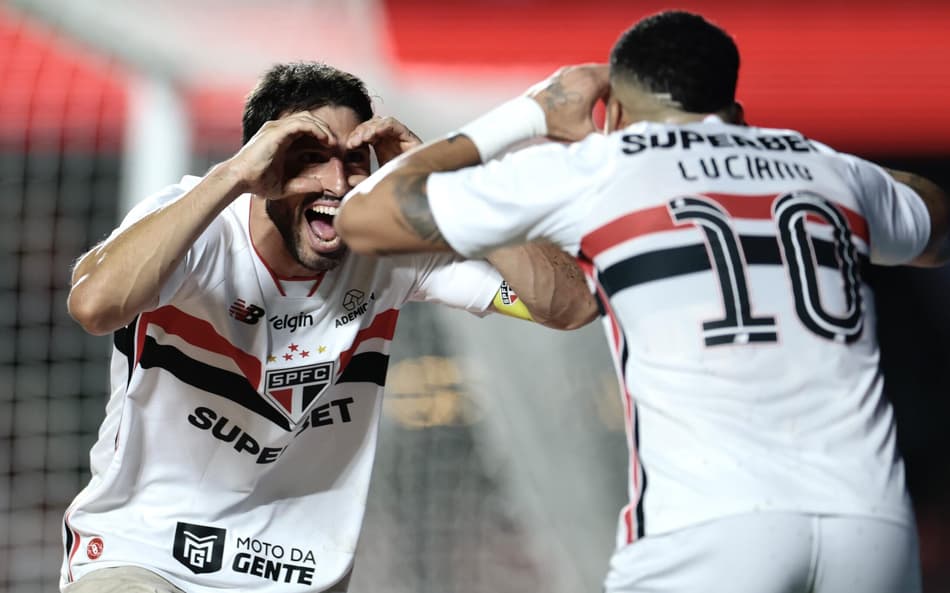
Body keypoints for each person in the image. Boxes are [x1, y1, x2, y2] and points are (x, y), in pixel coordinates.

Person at [335, 11, 950, 593]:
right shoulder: (831, 171)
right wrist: (813, 165)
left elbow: (366, 219)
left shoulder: (602, 165)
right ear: (733, 109)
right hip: (870, 523)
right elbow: (935, 223)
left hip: (713, 525)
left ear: (617, 111)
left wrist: (529, 114)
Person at [62, 61, 596, 593]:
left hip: (298, 574)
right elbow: (94, 305)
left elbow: (567, 305)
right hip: (145, 557)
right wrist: (232, 176)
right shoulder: (195, 227)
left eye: (352, 162)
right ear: (261, 163)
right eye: (310, 159)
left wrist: (450, 183)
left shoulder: (391, 248)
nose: (337, 183)